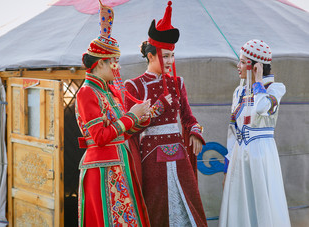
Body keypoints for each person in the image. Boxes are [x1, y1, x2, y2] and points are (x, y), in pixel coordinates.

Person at [124, 2, 208, 226]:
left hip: (179, 154)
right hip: (152, 156)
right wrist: (158, 107)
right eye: (166, 56)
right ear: (151, 56)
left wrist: (195, 132)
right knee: (156, 207)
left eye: (172, 56)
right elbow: (129, 128)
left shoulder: (178, 83)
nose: (171, 61)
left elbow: (189, 118)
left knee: (189, 204)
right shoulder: (134, 86)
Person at [75, 1, 151, 226]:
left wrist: (142, 118)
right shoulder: (86, 93)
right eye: (114, 63)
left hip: (119, 162)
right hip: (101, 169)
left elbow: (122, 131)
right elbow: (99, 137)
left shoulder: (109, 93)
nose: (117, 68)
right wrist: (131, 117)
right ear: (100, 64)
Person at [219, 39, 291, 227]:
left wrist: (258, 82)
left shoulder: (275, 88)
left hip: (261, 154)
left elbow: (263, 107)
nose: (238, 66)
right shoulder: (239, 91)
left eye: (243, 62)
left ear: (256, 66)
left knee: (261, 200)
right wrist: (227, 165)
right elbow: (233, 129)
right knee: (239, 204)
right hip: (238, 156)